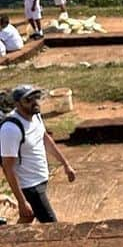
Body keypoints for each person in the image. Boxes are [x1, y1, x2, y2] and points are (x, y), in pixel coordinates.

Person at [1, 84, 77, 224]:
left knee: (28, 216)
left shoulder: (35, 115)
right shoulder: (10, 129)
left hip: (40, 176)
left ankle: (7, 240)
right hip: (29, 185)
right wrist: (22, 201)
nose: (34, 102)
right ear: (17, 104)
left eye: (36, 97)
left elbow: (45, 139)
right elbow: (8, 167)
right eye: (28, 100)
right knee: (52, 226)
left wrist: (66, 164)